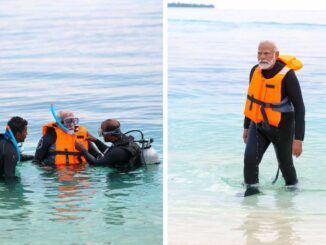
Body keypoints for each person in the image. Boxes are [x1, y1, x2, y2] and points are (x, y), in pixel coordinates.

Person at [243, 40, 305, 196]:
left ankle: (292, 195)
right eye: (259, 53)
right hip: (258, 124)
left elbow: (300, 107)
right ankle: (251, 194)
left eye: (266, 53)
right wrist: (246, 126)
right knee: (250, 159)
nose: (262, 57)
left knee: (286, 166)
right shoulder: (254, 71)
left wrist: (298, 139)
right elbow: (252, 99)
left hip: (282, 127)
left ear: (276, 55)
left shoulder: (287, 75)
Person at [75, 119, 142, 172]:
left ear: (110, 135)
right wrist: (96, 141)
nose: (102, 135)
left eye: (103, 133)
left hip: (123, 178)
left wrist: (83, 150)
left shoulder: (119, 151)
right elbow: (109, 152)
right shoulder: (125, 141)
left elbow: (96, 164)